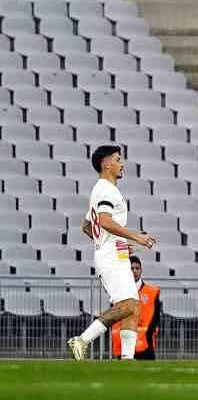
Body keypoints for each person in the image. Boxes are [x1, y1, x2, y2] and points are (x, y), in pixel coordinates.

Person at [68, 145, 157, 360]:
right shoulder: (106, 189)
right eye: (118, 159)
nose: (121, 163)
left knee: (133, 307)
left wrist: (114, 242)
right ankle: (82, 340)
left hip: (114, 254)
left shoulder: (102, 190)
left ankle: (127, 359)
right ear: (106, 164)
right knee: (127, 305)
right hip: (110, 259)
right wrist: (134, 237)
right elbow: (105, 221)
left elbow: (87, 225)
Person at [110, 255, 162, 361]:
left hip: (146, 344)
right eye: (131, 269)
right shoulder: (118, 293)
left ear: (141, 270)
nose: (134, 271)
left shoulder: (152, 292)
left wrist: (148, 334)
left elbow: (156, 317)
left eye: (137, 268)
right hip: (124, 344)